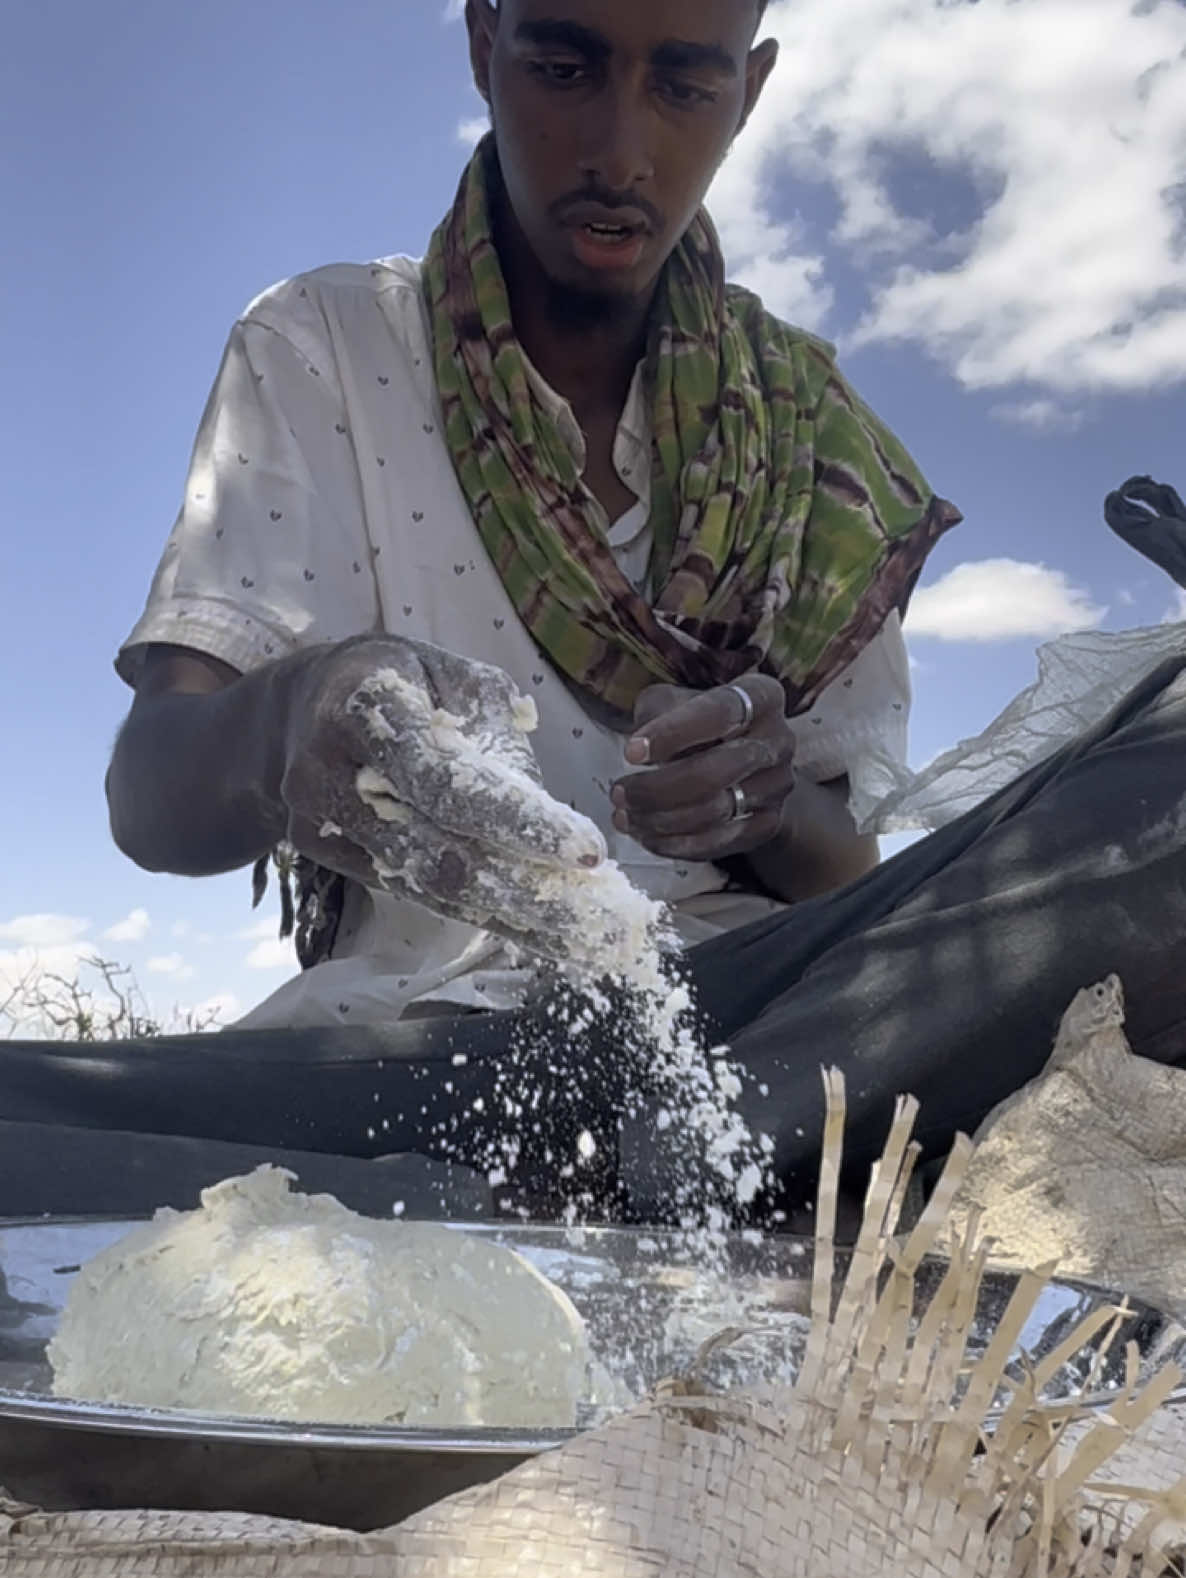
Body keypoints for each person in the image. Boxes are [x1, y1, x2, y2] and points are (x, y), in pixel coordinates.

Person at [3, 0, 1185, 1232]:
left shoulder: (811, 431)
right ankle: (655, 1188)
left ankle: (661, 1165)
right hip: (423, 1055)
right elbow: (150, 802)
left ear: (750, 89)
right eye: (565, 67)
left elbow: (845, 879)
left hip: (774, 1022)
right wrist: (292, 716)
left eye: (685, 85)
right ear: (483, 45)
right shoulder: (325, 347)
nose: (621, 152)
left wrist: (767, 805)